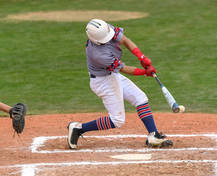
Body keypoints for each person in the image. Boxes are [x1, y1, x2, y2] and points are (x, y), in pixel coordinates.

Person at [67, 19, 173, 149]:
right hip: (103, 81)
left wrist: (142, 58)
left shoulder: (104, 29)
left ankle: (154, 135)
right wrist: (144, 72)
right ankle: (79, 128)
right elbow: (123, 68)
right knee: (117, 120)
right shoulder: (98, 55)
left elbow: (125, 40)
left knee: (140, 98)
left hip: (111, 76)